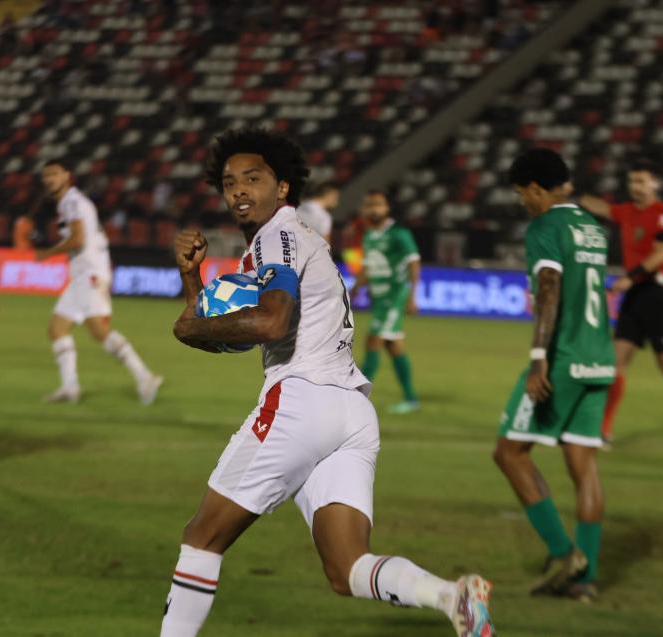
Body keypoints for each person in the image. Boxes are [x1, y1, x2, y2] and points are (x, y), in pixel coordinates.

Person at [164, 127, 494, 637]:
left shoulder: (280, 234)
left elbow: (270, 323)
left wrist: (192, 325)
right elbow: (227, 328)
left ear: (283, 187)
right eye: (229, 183)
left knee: (201, 538)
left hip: (302, 402)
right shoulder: (291, 240)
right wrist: (193, 281)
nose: (239, 191)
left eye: (253, 178)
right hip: (351, 413)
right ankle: (452, 597)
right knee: (347, 569)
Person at [493, 148, 614, 603]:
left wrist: (540, 357)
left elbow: (549, 287)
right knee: (584, 467)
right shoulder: (591, 227)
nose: (523, 202)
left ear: (538, 190)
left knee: (509, 452)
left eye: (523, 193)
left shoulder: (546, 226)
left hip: (562, 358)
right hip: (600, 359)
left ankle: (566, 555)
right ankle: (585, 580)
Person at [579, 160, 663, 450]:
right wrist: (571, 196)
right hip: (635, 296)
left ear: (655, 184)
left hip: (655, 296)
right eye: (633, 181)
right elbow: (602, 208)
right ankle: (604, 432)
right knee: (616, 362)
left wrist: (628, 279)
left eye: (642, 181)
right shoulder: (626, 212)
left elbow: (661, 254)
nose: (636, 187)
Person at [37, 159, 162, 405]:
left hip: (89, 274)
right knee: (57, 329)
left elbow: (78, 239)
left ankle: (145, 376)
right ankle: (70, 387)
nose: (49, 179)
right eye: (46, 175)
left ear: (66, 175)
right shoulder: (70, 202)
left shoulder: (72, 202)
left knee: (98, 331)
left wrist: (47, 253)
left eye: (54, 174)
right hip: (83, 275)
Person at [350, 190, 421, 414]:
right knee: (394, 347)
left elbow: (414, 263)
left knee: (373, 341)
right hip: (380, 298)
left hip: (395, 295)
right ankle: (411, 399)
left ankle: (356, 398)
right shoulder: (369, 235)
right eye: (369, 205)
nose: (374, 209)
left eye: (378, 205)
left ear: (386, 208)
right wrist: (354, 289)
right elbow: (369, 267)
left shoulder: (399, 233)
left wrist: (412, 296)